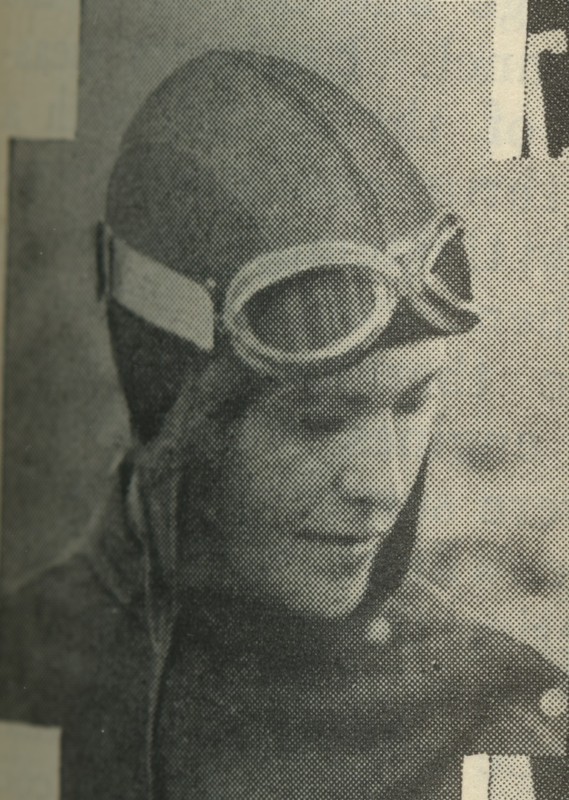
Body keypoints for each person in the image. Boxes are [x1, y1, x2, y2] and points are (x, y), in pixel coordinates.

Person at [1, 50, 567, 800]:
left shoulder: (497, 719)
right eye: (321, 421)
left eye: (411, 402)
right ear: (175, 422)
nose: (385, 484)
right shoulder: (26, 687)